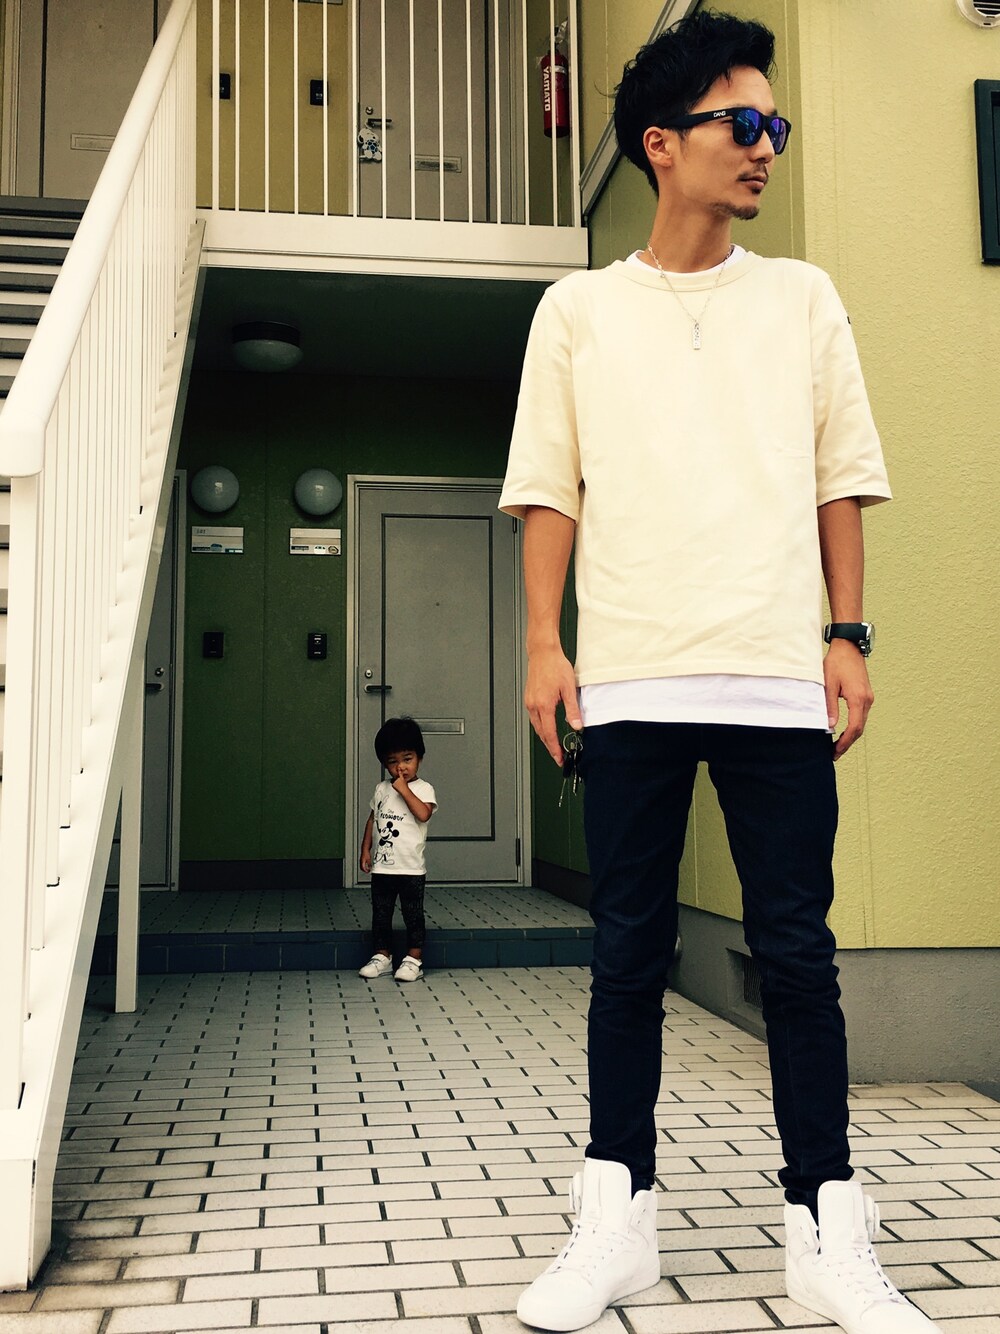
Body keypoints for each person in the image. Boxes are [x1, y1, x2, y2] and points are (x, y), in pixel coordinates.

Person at [499, 12, 940, 1334]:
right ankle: (616, 1219)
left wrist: (848, 635)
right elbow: (548, 490)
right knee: (626, 953)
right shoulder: (578, 310)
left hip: (772, 679)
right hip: (630, 678)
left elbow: (839, 476)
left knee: (797, 954)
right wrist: (543, 645)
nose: (764, 148)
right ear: (660, 143)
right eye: (741, 124)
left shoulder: (800, 297)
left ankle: (826, 1230)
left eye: (774, 128)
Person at [358, 716, 437, 983]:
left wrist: (403, 789)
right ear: (384, 763)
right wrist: (365, 850)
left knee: (413, 914)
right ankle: (382, 957)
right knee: (381, 914)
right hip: (383, 867)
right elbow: (373, 819)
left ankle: (414, 959)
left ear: (419, 758)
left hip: (410, 869)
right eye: (393, 761)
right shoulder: (381, 789)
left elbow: (423, 814)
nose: (400, 767)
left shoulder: (423, 789)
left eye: (407, 758)